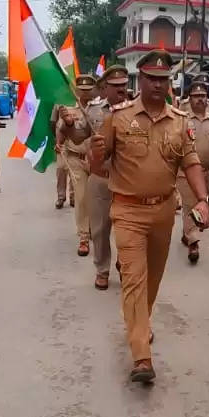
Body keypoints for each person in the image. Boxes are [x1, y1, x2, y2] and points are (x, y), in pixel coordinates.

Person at [91, 51, 209, 384]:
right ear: (139, 80)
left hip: (163, 212)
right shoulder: (117, 117)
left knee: (153, 280)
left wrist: (203, 200)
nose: (158, 84)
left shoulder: (179, 121)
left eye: (164, 79)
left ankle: (140, 322)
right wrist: (95, 151)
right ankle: (141, 355)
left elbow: (190, 164)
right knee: (134, 279)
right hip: (127, 210)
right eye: (152, 78)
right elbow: (98, 166)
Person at [178, 77, 209, 264]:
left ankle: (188, 233)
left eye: (203, 96)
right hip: (185, 171)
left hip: (207, 171)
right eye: (196, 96)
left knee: (202, 202)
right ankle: (193, 241)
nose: (200, 99)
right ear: (189, 99)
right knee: (190, 203)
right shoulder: (182, 118)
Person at [86, 65, 128, 290]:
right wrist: (71, 124)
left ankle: (125, 262)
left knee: (127, 229)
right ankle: (102, 270)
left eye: (124, 85)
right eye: (116, 86)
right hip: (100, 179)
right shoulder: (92, 111)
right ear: (105, 88)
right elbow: (77, 135)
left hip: (127, 182)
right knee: (100, 229)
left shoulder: (136, 112)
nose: (121, 89)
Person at [56, 75, 97, 256]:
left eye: (89, 90)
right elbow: (61, 130)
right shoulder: (69, 109)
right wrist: (59, 141)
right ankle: (83, 236)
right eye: (83, 90)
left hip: (98, 161)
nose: (86, 93)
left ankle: (95, 228)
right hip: (76, 158)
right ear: (77, 90)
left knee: (98, 198)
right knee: (81, 197)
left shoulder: (100, 109)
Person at [50, 103, 74, 209]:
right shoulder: (58, 103)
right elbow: (53, 121)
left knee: (74, 170)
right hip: (61, 142)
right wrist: (56, 138)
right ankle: (61, 197)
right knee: (60, 169)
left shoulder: (77, 100)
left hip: (75, 141)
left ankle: (73, 197)